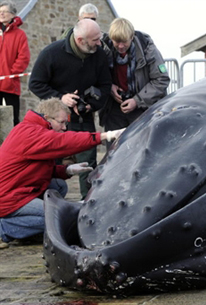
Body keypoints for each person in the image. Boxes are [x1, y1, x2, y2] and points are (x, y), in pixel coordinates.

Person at [0, 98, 124, 249]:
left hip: (19, 189)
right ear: (47, 119)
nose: (65, 128)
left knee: (59, 186)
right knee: (59, 220)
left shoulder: (32, 128)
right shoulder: (30, 133)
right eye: (62, 122)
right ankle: (4, 229)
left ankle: (26, 222)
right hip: (8, 197)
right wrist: (105, 136)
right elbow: (63, 142)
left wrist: (67, 170)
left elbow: (36, 168)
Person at [29, 19, 111, 199]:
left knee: (88, 165)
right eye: (95, 40)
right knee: (51, 164)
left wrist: (92, 105)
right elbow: (35, 83)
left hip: (84, 117)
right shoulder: (51, 53)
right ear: (81, 40)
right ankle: (47, 203)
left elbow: (105, 85)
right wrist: (61, 98)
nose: (100, 43)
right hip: (54, 120)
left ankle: (88, 203)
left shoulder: (99, 55)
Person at [100, 17, 170, 147]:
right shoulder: (103, 49)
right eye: (116, 42)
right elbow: (95, 75)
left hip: (142, 108)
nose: (120, 46)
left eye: (124, 42)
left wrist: (137, 101)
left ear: (131, 37)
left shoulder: (148, 50)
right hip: (113, 109)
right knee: (113, 150)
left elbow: (161, 79)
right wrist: (109, 87)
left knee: (141, 149)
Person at [0, 0, 30, 125]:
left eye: (4, 12)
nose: (1, 14)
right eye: (0, 12)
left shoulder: (20, 35)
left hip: (10, 85)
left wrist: (11, 74)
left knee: (13, 120)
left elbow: (24, 57)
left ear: (13, 14)